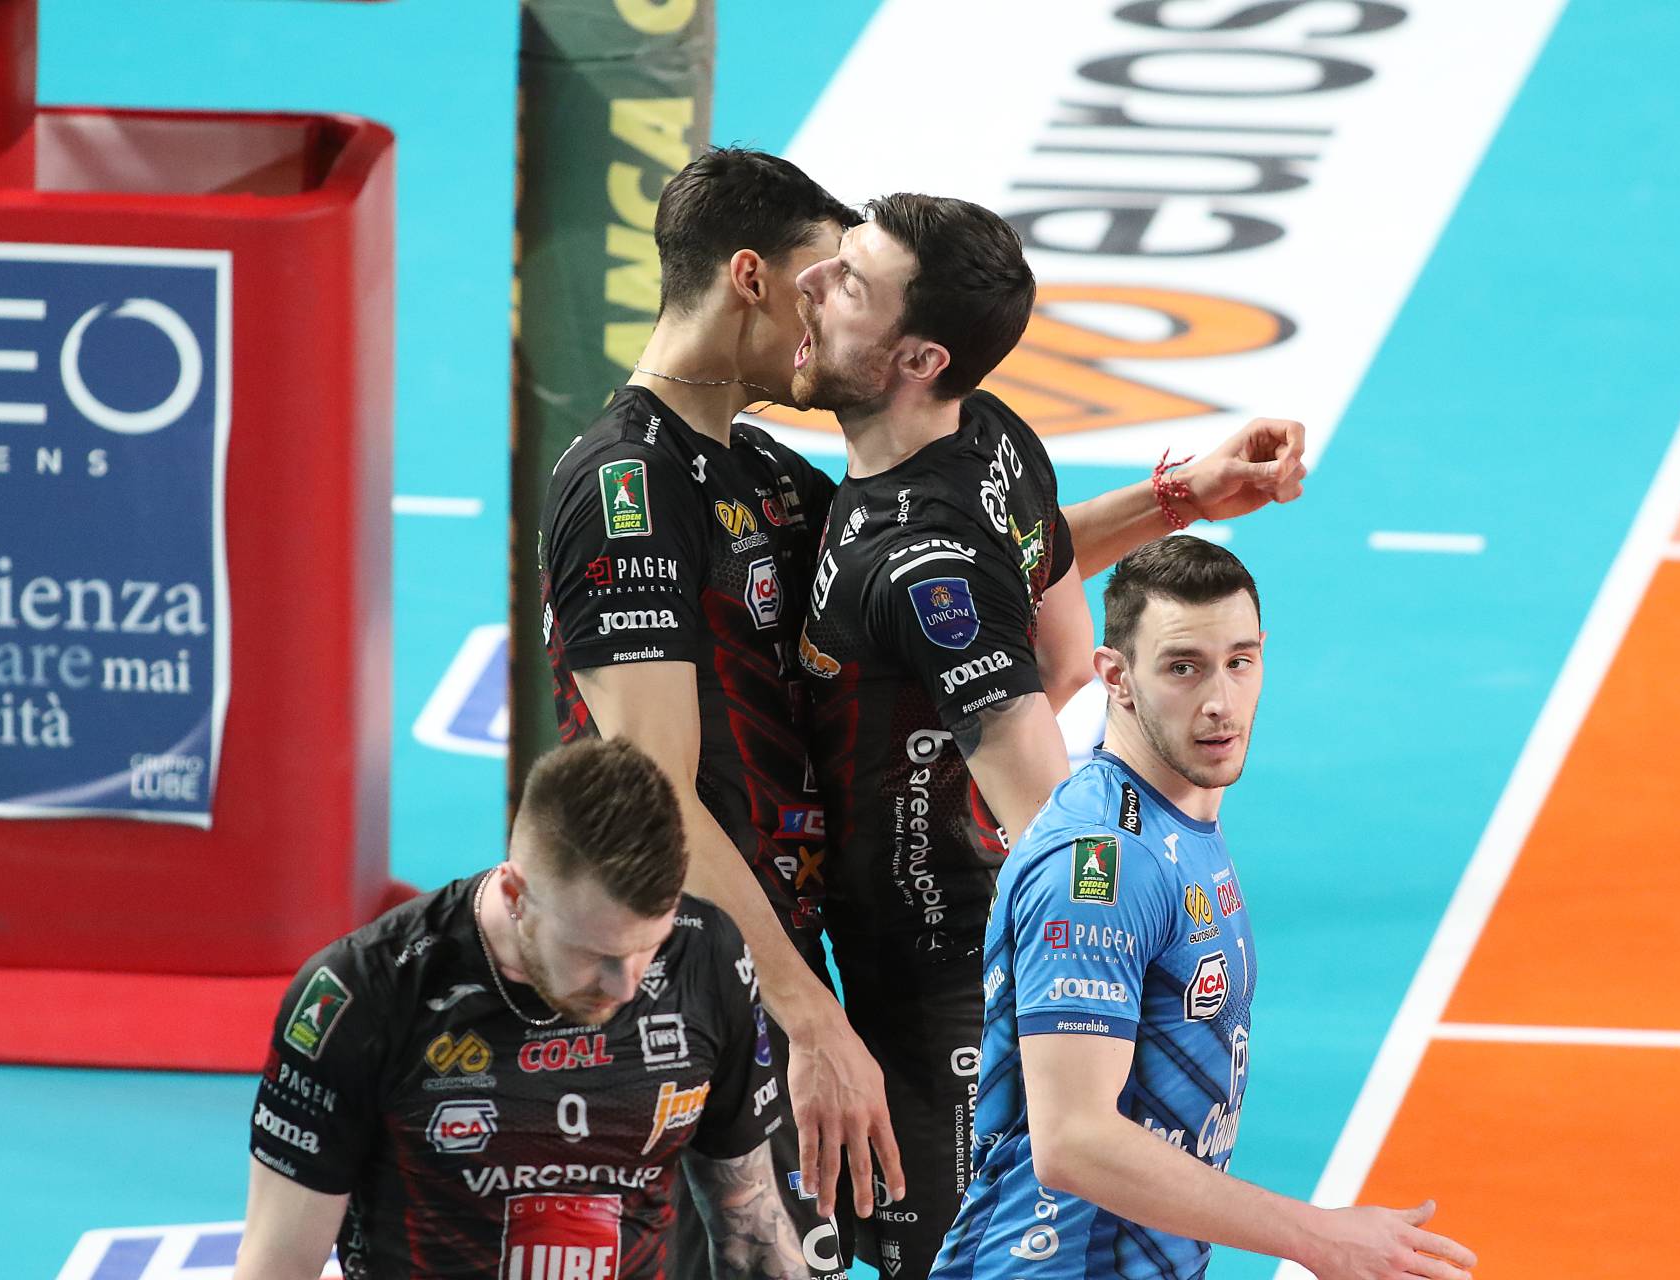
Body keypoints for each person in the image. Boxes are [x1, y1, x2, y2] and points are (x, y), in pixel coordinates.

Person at [788, 193, 1307, 1278]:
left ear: (918, 358)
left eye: (849, 282)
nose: (812, 283)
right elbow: (1057, 630)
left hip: (934, 988)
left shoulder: (919, 564)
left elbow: (1057, 837)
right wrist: (1181, 496)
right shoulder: (990, 435)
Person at [928, 538, 1478, 1280]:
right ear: (1116, 678)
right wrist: (1318, 1237)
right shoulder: (1101, 869)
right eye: (1183, 667)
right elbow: (1074, 1140)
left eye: (1239, 662)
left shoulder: (1177, 820)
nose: (1220, 702)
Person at [538, 147, 887, 1277]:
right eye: (821, 283)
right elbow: (657, 802)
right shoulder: (626, 487)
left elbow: (942, 586)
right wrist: (810, 1017)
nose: (834, 316)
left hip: (771, 961)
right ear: (749, 277)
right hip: (681, 988)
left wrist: (1177, 497)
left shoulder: (764, 469)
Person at [232, 739, 805, 1280]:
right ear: (515, 895)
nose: (627, 985)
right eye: (595, 954)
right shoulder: (363, 992)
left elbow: (751, 1231)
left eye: (647, 947)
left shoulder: (705, 955)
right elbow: (279, 1265)